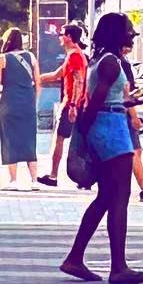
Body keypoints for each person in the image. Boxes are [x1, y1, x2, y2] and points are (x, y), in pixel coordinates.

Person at [58, 13, 143, 284]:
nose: (132, 35)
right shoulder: (111, 62)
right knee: (119, 196)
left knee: (106, 196)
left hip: (107, 126)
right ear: (117, 34)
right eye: (129, 31)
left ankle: (75, 257)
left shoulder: (99, 60)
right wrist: (86, 138)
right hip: (111, 130)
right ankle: (118, 266)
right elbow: (96, 101)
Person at [37, 23, 89, 187]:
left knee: (59, 140)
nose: (60, 37)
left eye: (62, 34)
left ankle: (53, 176)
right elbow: (56, 75)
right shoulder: (74, 55)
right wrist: (34, 78)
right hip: (73, 103)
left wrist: (73, 105)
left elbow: (79, 81)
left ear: (69, 37)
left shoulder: (75, 55)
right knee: (78, 141)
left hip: (70, 104)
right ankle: (84, 178)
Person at [0, 28, 39, 187]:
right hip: (28, 103)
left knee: (10, 140)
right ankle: (34, 180)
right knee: (30, 140)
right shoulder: (31, 57)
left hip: (9, 103)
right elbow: (38, 83)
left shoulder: (1, 59)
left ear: (6, 41)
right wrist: (33, 100)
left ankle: (13, 180)